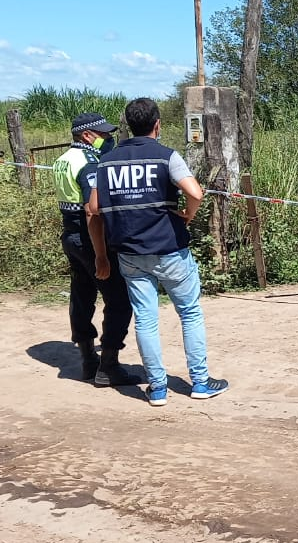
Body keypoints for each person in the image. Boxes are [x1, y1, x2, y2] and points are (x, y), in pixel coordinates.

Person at [86, 98, 227, 407]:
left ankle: (158, 389)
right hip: (170, 250)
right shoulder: (166, 156)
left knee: (146, 320)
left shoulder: (106, 162)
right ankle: (201, 383)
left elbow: (93, 210)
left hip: (130, 254)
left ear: (127, 125)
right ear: (157, 124)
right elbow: (195, 192)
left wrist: (101, 255)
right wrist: (187, 216)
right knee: (189, 313)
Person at [52, 112, 140, 387]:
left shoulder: (62, 160)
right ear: (87, 136)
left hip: (70, 235)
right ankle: (109, 366)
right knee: (119, 300)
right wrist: (101, 255)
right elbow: (93, 213)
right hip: (90, 238)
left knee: (82, 295)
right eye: (103, 134)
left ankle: (88, 360)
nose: (108, 138)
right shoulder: (90, 163)